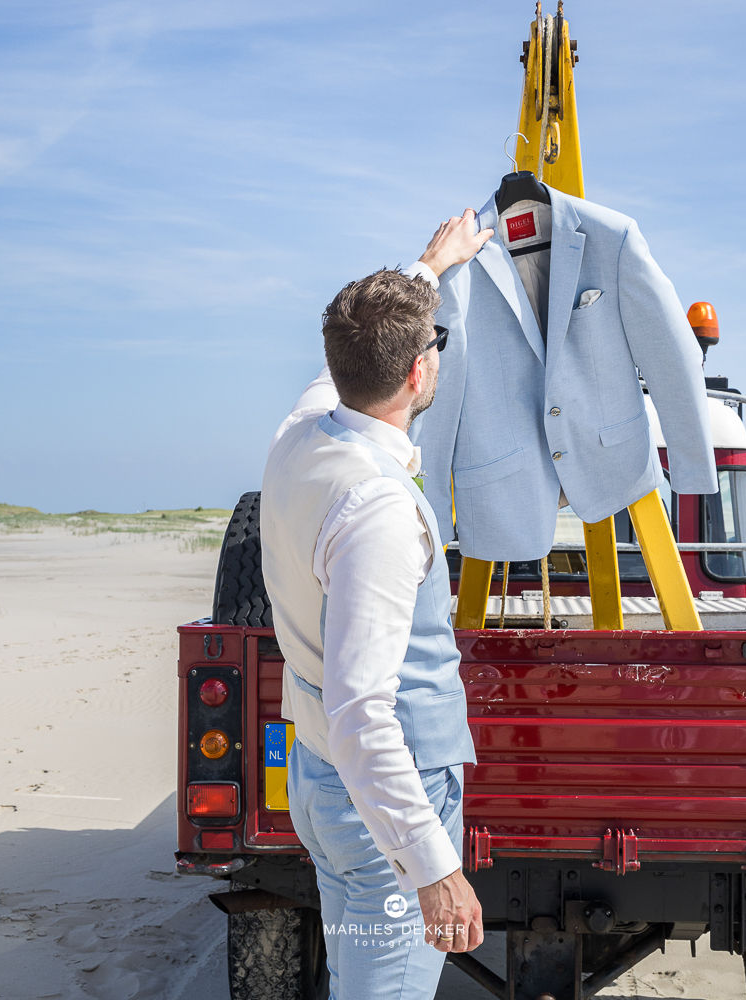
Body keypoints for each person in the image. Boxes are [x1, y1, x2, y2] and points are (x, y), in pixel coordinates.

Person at [259, 208, 494, 1000]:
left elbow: (352, 366)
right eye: (434, 345)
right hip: (377, 809)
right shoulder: (379, 513)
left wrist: (433, 266)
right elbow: (365, 709)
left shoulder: (299, 435)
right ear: (421, 374)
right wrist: (433, 869)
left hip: (324, 784)